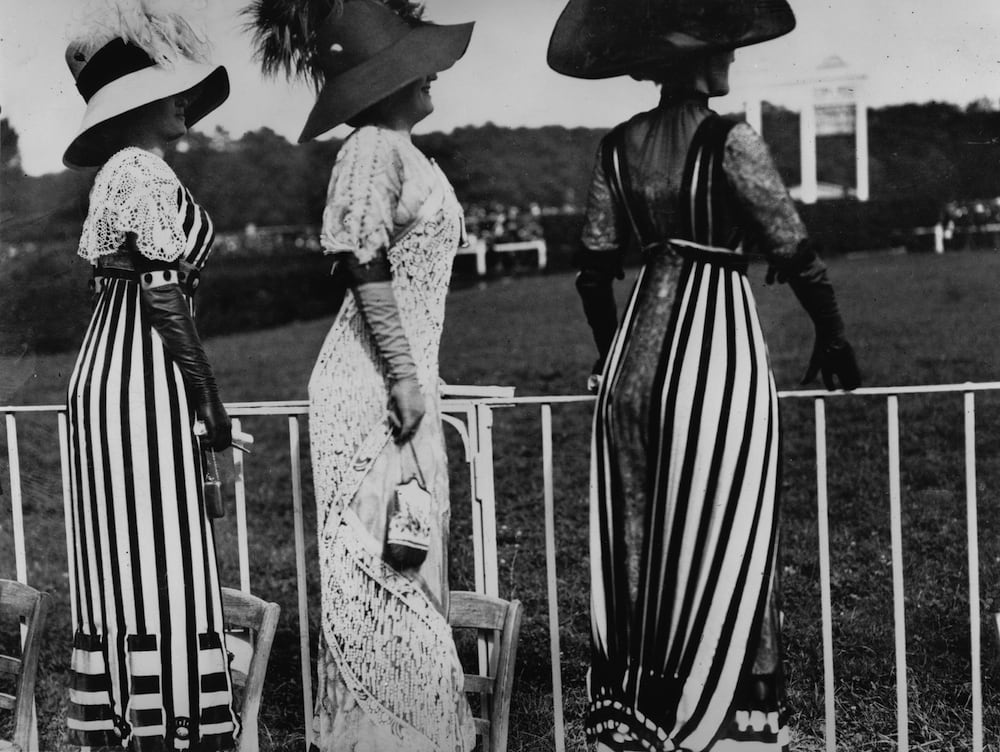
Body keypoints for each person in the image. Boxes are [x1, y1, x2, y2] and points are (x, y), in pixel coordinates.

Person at [547, 1, 861, 750]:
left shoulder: (617, 146)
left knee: (638, 544)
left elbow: (593, 275)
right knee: (730, 533)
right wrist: (834, 334)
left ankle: (635, 718)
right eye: (722, 47)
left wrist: (606, 353)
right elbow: (793, 244)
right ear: (694, 59)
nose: (732, 58)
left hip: (629, 370)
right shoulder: (729, 138)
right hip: (717, 360)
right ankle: (722, 724)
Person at [245, 1, 476, 749]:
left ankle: (409, 733)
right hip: (372, 386)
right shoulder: (372, 147)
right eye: (418, 61)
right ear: (388, 79)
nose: (433, 69)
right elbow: (360, 258)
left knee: (407, 561)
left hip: (402, 384)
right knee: (384, 572)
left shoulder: (407, 151)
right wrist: (407, 378)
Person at [61, 3, 239, 751]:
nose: (183, 101)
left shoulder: (126, 172)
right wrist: (213, 410)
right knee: (159, 550)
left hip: (113, 378)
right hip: (142, 381)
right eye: (171, 90)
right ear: (135, 104)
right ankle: (171, 723)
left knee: (132, 553)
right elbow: (164, 295)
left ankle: (139, 718)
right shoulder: (140, 171)